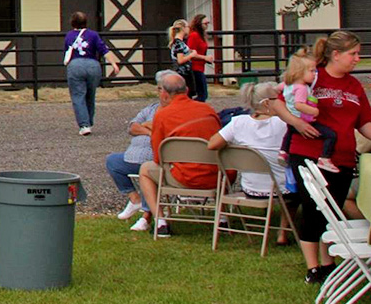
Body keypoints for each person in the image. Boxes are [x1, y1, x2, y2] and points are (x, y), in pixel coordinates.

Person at [272, 31, 371, 284]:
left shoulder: (354, 85)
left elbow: (365, 125)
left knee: (332, 209)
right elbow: (276, 103)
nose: (357, 59)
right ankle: (314, 267)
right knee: (313, 207)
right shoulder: (312, 75)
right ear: (336, 54)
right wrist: (296, 123)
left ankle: (328, 262)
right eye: (353, 53)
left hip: (342, 158)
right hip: (309, 153)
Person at [135, 70, 221, 236]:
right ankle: (222, 215)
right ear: (187, 90)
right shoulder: (208, 110)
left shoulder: (162, 115)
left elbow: (159, 157)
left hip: (184, 177)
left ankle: (160, 222)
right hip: (216, 176)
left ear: (165, 94)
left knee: (145, 169)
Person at [206, 81, 292, 243]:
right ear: (267, 102)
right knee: (296, 183)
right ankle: (282, 232)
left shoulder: (238, 122)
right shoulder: (284, 124)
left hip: (250, 188)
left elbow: (212, 144)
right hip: (280, 188)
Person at [105, 79, 163, 228]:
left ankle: (146, 215)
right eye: (159, 89)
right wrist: (148, 131)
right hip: (132, 156)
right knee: (112, 161)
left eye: (162, 89)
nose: (160, 93)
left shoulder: (172, 111)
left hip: (154, 159)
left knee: (147, 172)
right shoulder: (151, 108)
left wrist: (149, 127)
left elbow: (161, 128)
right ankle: (134, 199)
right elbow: (132, 127)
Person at [278, 49, 339, 172]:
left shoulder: (287, 85)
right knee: (330, 135)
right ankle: (325, 158)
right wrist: (314, 111)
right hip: (303, 119)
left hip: (292, 120)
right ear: (299, 72)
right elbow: (299, 105)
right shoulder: (302, 88)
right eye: (311, 71)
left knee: (289, 132)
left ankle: (283, 151)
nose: (314, 74)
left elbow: (276, 89)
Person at [63, 12, 121, 135]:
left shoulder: (69, 36)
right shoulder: (93, 35)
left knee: (78, 95)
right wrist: (114, 64)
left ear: (72, 23)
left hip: (76, 65)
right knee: (90, 94)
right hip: (93, 65)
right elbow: (104, 50)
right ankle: (89, 120)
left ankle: (84, 125)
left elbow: (67, 51)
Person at [185, 13, 212, 102]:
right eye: (205, 24)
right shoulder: (194, 35)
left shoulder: (201, 36)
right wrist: (204, 58)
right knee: (202, 94)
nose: (207, 26)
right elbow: (191, 51)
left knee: (200, 92)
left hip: (200, 67)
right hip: (195, 67)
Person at [166, 18, 195, 98]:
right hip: (182, 73)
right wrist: (191, 55)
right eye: (187, 27)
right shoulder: (178, 43)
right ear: (183, 28)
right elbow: (180, 60)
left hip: (185, 72)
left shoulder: (180, 42)